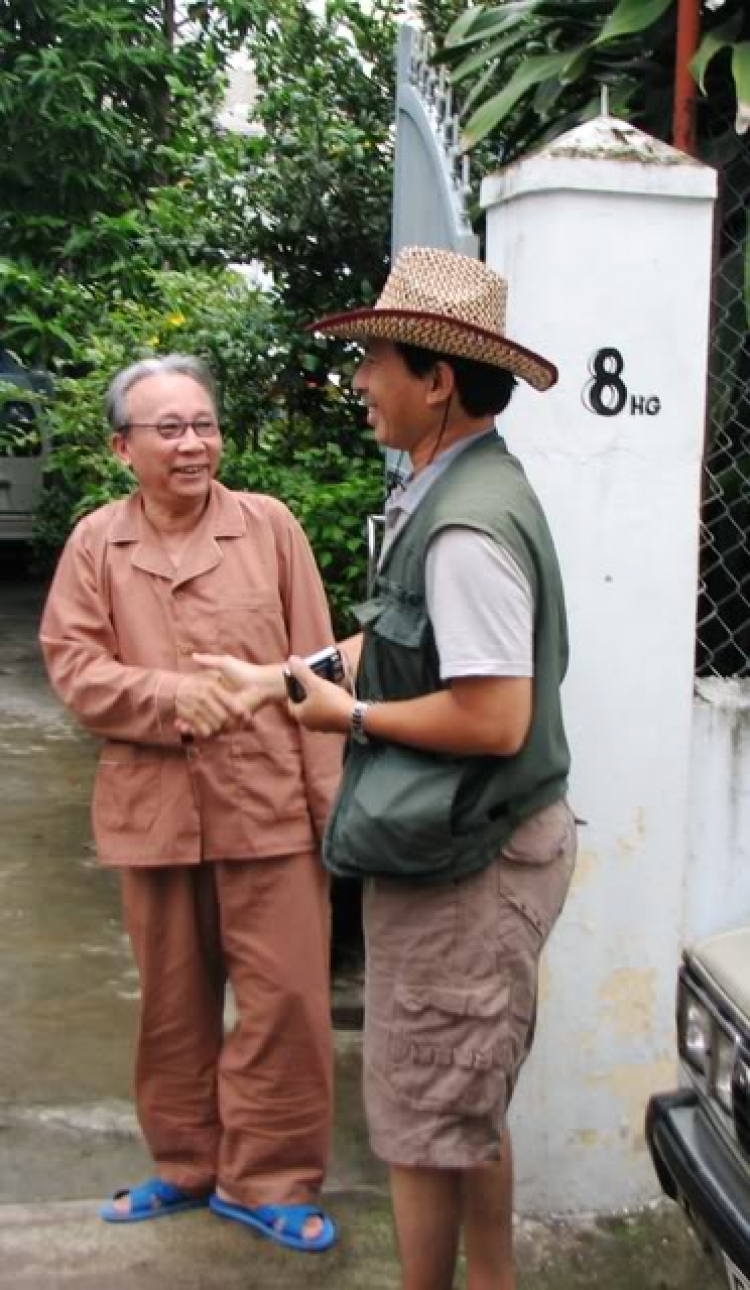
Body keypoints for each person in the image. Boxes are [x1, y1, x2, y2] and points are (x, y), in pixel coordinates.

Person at [196, 246, 577, 1290]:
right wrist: (281, 680)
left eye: (373, 359)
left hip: (472, 856)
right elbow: (412, 645)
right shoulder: (451, 486)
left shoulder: (463, 527)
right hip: (475, 839)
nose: (359, 379)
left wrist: (348, 715)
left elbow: (494, 715)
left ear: (437, 379)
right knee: (463, 1101)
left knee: (419, 1120)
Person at [38, 353, 341, 1252]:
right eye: (168, 429)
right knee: (172, 1003)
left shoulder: (270, 528)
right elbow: (75, 669)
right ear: (121, 446)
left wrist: (332, 813)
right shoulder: (97, 542)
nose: (193, 444)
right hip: (155, 810)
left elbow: (318, 666)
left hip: (270, 805)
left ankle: (272, 1178)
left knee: (287, 1001)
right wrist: (172, 699)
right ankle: (185, 1164)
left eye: (204, 424)